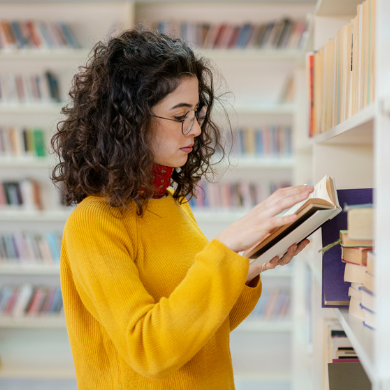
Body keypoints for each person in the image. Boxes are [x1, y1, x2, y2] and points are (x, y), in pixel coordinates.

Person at [51, 28, 313, 390]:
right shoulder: (92, 223)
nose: (195, 130)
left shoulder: (172, 202)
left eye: (196, 113)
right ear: (129, 120)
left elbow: (201, 331)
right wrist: (225, 248)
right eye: (179, 116)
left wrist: (248, 267)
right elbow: (150, 351)